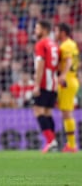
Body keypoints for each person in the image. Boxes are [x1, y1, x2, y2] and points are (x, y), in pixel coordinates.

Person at [33, 20, 59, 153]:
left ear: (44, 30)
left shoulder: (41, 43)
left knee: (38, 111)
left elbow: (40, 64)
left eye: (37, 28)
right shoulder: (54, 44)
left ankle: (50, 141)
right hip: (53, 83)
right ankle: (53, 142)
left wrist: (37, 84)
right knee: (48, 113)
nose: (35, 31)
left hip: (44, 82)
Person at [55, 23, 79, 152]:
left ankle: (72, 145)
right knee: (66, 112)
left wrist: (63, 75)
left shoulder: (66, 45)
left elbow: (69, 60)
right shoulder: (72, 44)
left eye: (57, 30)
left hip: (67, 81)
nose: (55, 33)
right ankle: (70, 144)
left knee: (67, 112)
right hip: (72, 79)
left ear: (63, 32)